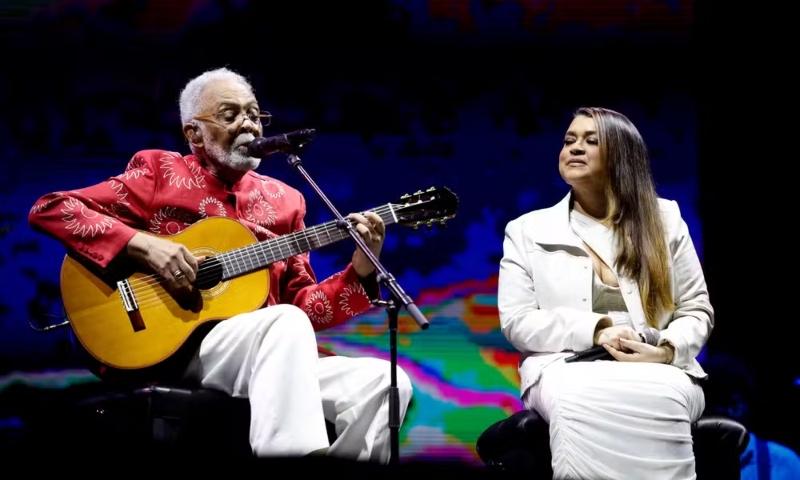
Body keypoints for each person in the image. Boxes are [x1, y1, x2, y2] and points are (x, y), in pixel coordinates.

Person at [27, 67, 413, 463]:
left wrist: (361, 270)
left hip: (267, 351)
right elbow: (51, 208)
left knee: (386, 383)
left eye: (255, 114)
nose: (248, 123)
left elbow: (303, 309)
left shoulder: (287, 201)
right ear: (194, 133)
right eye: (231, 114)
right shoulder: (161, 173)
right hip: (175, 345)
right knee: (283, 323)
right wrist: (144, 246)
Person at [497, 106, 713, 479]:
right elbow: (518, 322)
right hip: (564, 366)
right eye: (569, 140)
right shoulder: (527, 230)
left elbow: (696, 310)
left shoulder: (666, 220)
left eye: (591, 141)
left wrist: (664, 351)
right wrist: (597, 331)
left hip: (658, 367)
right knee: (576, 393)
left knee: (663, 392)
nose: (575, 148)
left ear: (622, 155)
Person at [702, 353, 800, 480]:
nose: (723, 413)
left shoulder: (785, 463)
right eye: (714, 404)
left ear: (747, 405)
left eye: (731, 403)